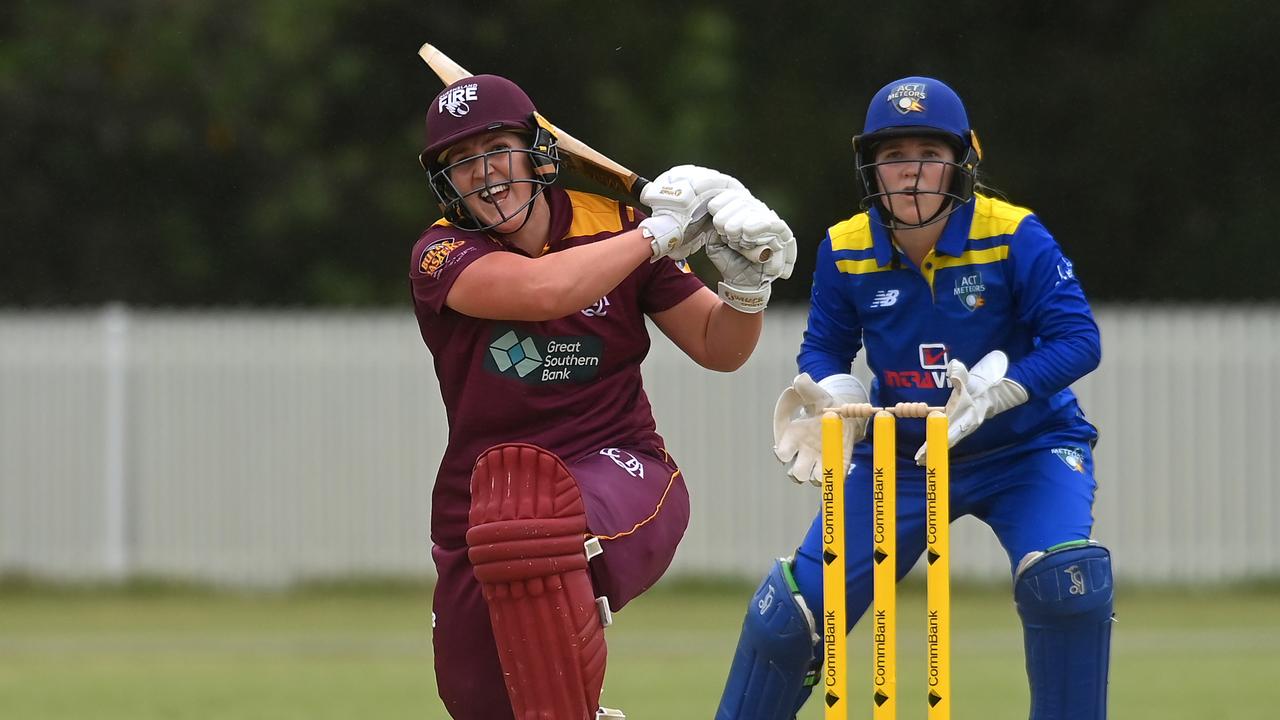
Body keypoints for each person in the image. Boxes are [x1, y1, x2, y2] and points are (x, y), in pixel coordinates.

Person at [715, 76, 1112, 720]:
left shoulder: (1014, 234)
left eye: (929, 154)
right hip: (899, 456)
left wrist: (999, 389)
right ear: (871, 166)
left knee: (1066, 585)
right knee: (788, 618)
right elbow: (824, 348)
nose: (912, 174)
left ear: (961, 162)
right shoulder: (845, 247)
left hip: (1026, 449)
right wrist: (835, 394)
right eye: (894, 156)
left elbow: (1079, 340)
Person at [409, 74, 797, 720]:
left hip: (619, 471)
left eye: (497, 148)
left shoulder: (613, 224)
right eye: (462, 162)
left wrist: (746, 285)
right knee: (482, 703)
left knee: (535, 523)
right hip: (478, 505)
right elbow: (541, 292)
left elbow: (718, 347)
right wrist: (656, 234)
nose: (484, 174)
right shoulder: (440, 250)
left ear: (538, 150)